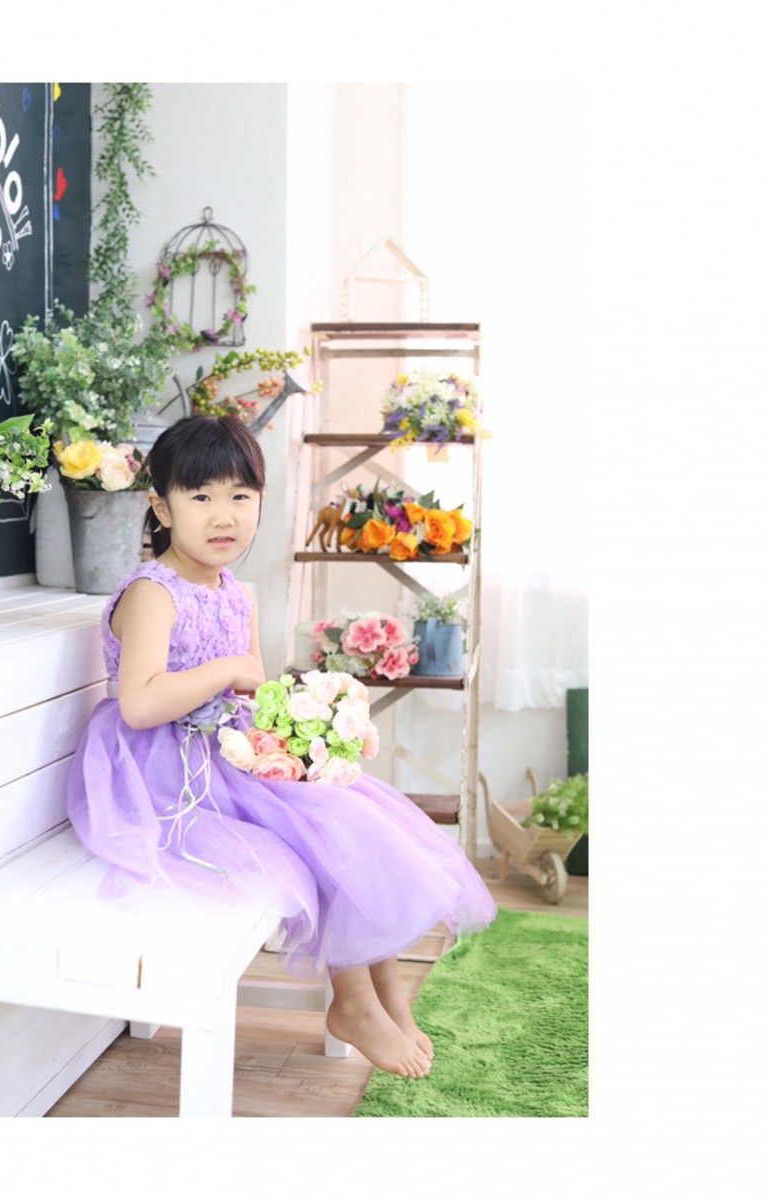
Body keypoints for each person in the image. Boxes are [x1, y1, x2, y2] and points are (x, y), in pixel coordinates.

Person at [67, 414, 497, 1080]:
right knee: (318, 830)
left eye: (240, 496)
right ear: (162, 507)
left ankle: (387, 996)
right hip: (164, 771)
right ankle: (354, 1003)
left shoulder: (234, 592)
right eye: (201, 496)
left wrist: (301, 738)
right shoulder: (154, 592)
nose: (224, 515)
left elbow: (253, 693)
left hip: (225, 750)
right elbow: (141, 704)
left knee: (352, 810)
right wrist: (228, 672)